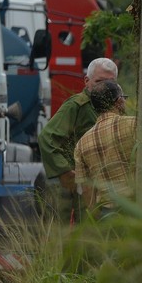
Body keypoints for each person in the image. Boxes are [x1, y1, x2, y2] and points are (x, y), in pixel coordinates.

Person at [38, 57, 118, 222]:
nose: (105, 87)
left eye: (110, 83)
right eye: (99, 81)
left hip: (101, 185)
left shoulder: (114, 108)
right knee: (70, 236)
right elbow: (47, 138)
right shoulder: (77, 106)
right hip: (78, 185)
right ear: (87, 81)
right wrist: (66, 172)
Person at [73, 80, 137, 218]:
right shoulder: (134, 124)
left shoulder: (81, 144)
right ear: (119, 101)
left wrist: (96, 217)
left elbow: (86, 188)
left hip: (107, 215)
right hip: (137, 209)